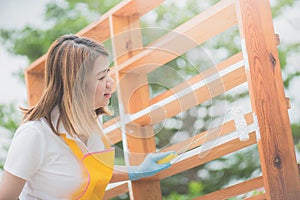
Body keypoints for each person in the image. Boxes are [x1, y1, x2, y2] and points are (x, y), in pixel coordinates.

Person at [0, 34, 174, 200]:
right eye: (100, 77)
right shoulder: (35, 135)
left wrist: (137, 170)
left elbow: (87, 173)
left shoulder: (93, 121)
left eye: (108, 72)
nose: (110, 82)